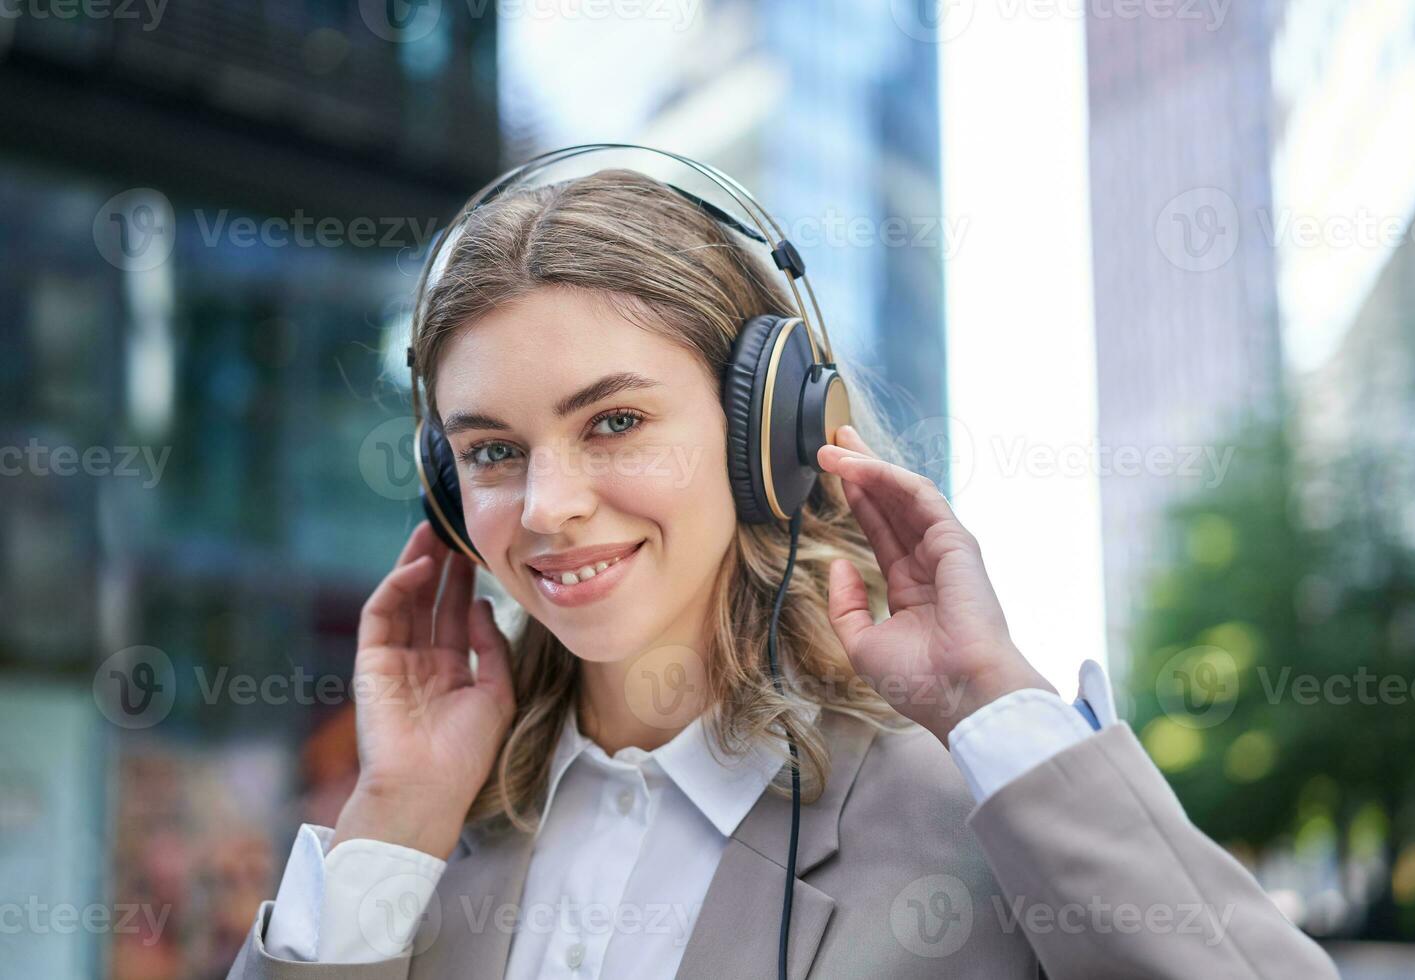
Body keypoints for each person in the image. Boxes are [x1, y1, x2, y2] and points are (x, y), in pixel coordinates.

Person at [226, 167, 1340, 979]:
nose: (551, 506)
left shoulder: (977, 817)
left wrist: (997, 710)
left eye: (614, 421)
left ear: (772, 429)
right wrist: (396, 811)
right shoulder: (423, 846)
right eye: (492, 451)